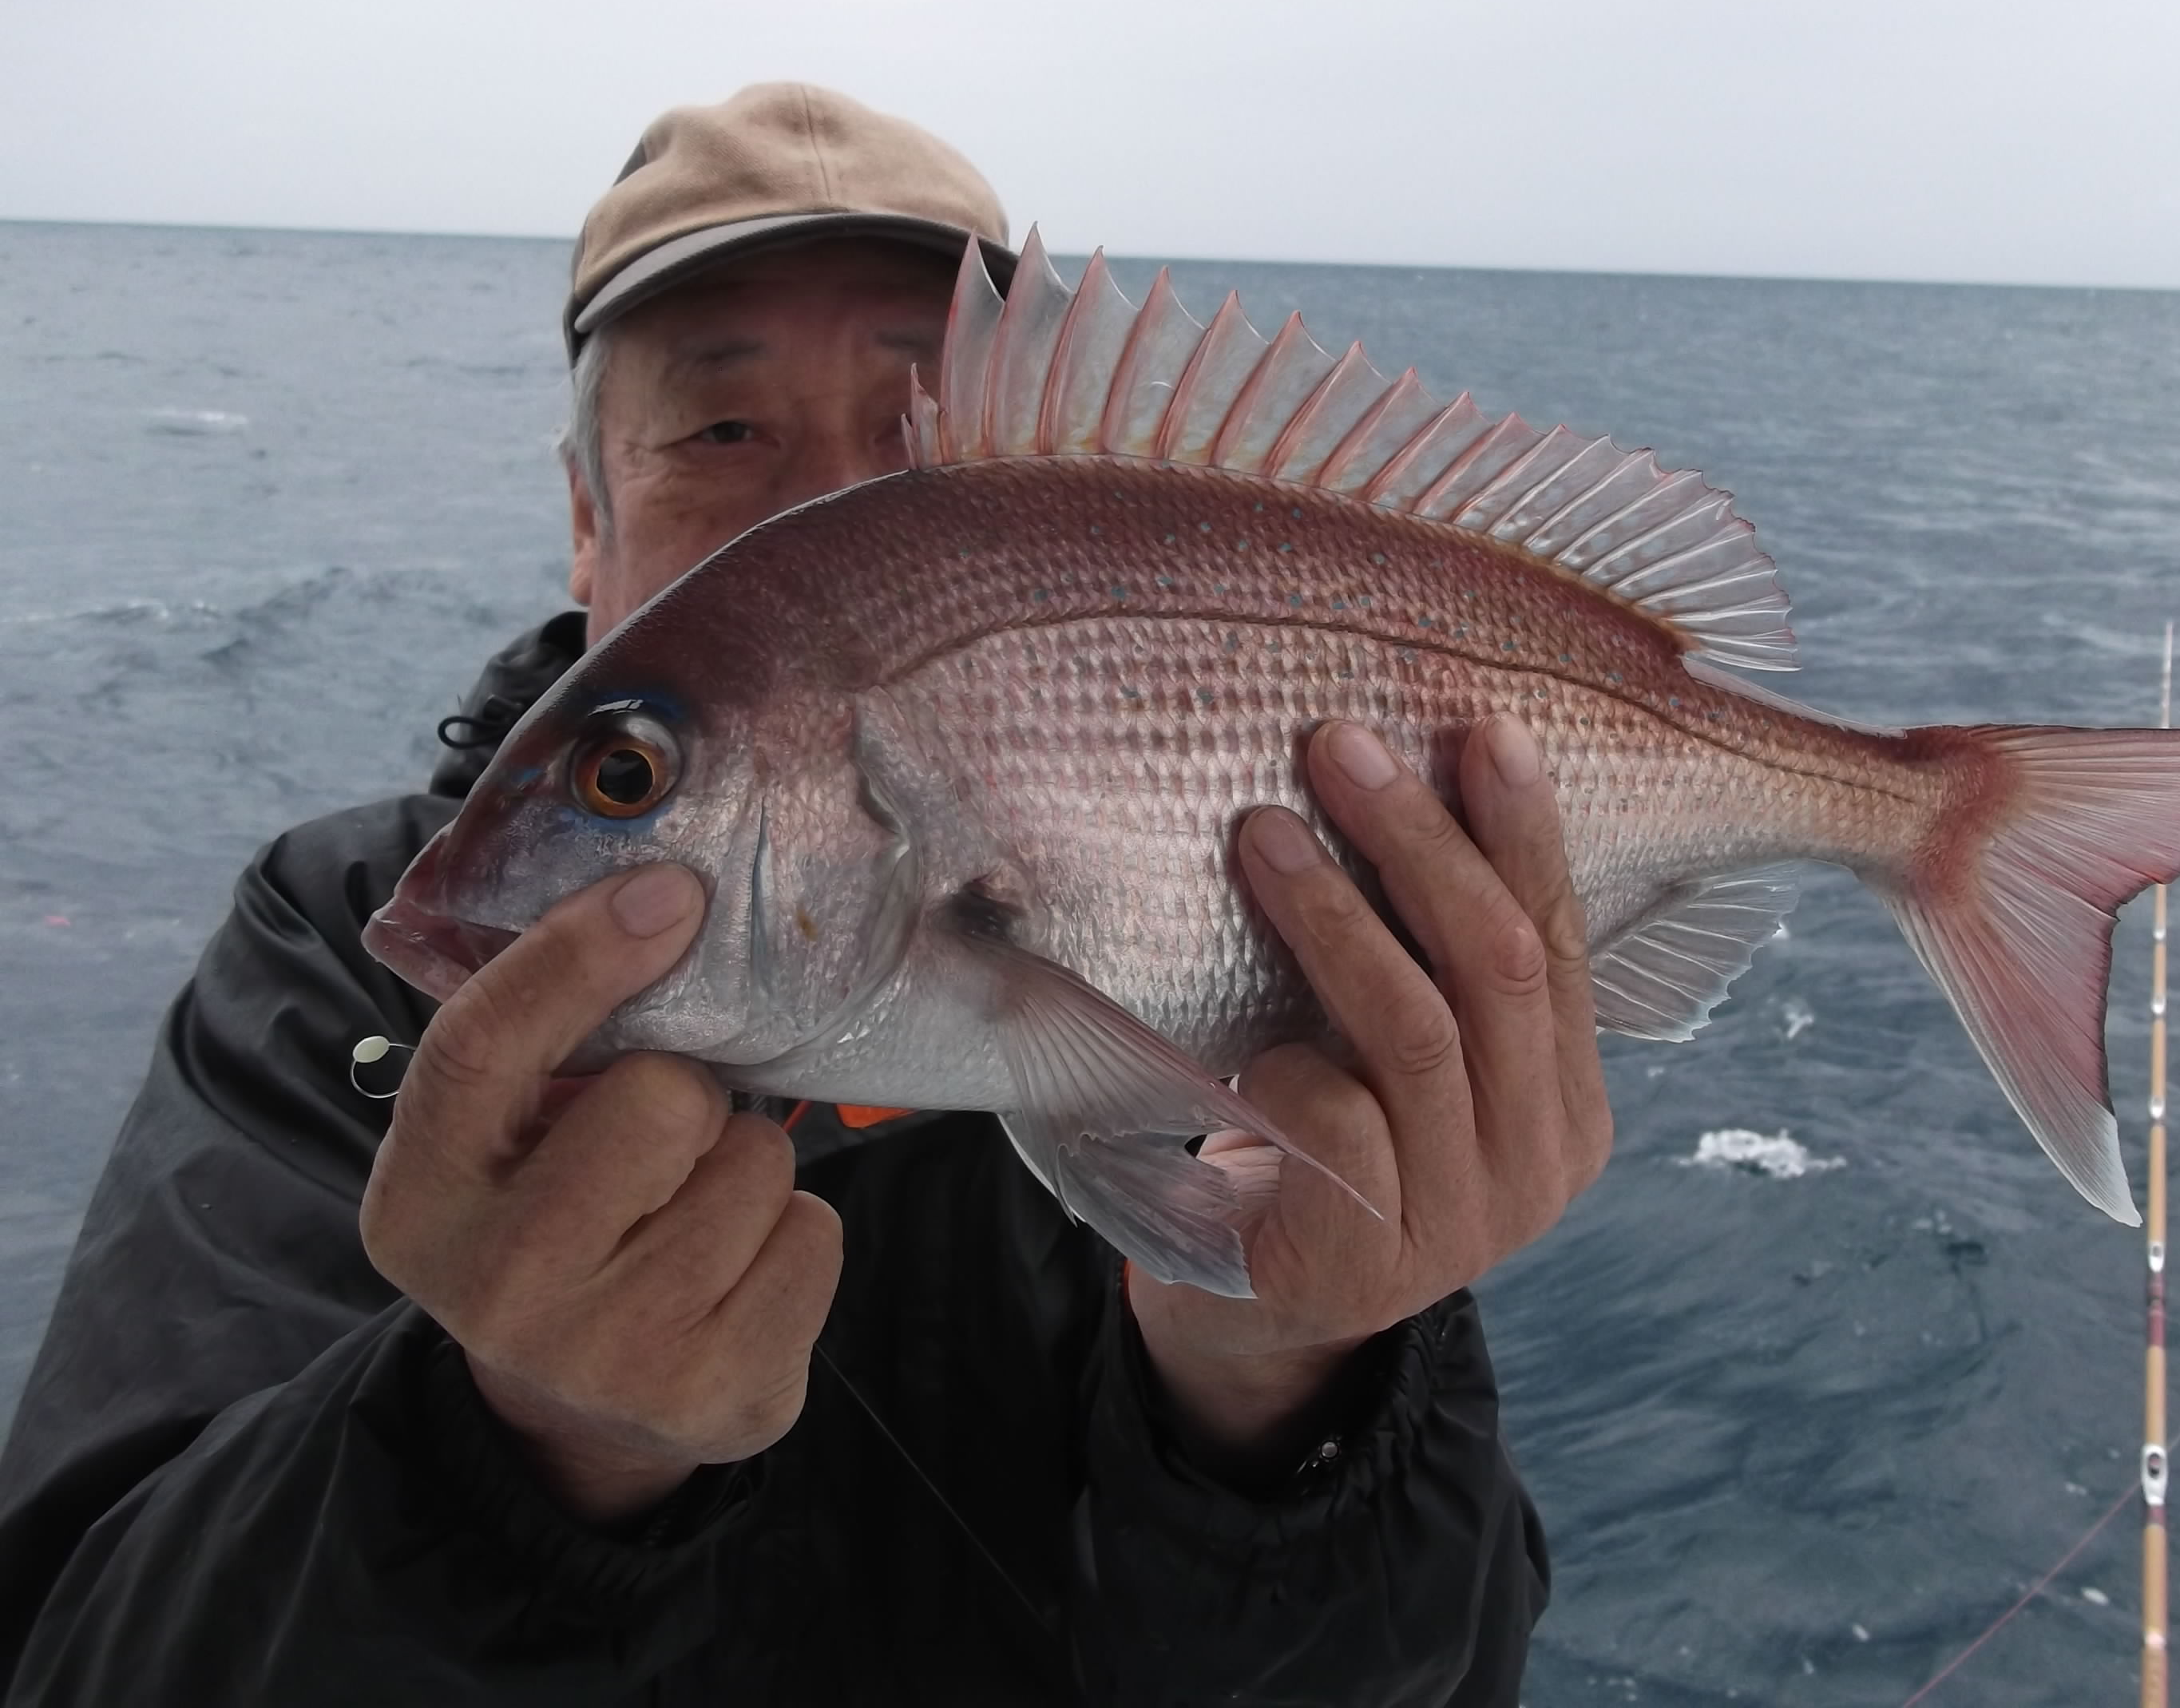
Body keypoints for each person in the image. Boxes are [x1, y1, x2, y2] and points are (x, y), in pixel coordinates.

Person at [0, 83, 1612, 1704]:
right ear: (586, 513)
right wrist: (504, 1456)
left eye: (921, 440)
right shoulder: (342, 956)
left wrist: (1295, 1392)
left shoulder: (1262, 1036)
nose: (834, 509)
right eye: (723, 429)